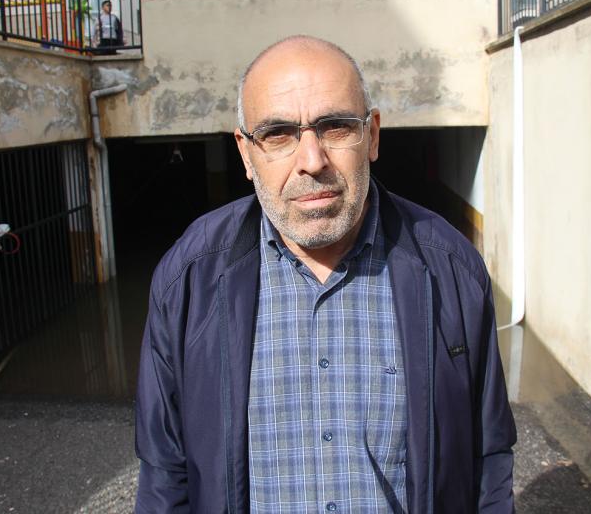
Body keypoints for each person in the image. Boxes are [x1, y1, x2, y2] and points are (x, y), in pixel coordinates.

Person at [134, 36, 516, 513]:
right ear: (246, 153)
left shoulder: (451, 270)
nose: (312, 161)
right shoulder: (189, 278)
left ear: (372, 136)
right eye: (278, 134)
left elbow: (488, 457)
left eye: (335, 127)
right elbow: (165, 473)